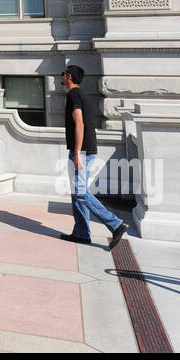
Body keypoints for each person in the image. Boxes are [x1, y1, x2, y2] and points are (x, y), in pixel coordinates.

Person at [59, 65, 128, 250]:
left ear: (70, 76)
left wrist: (78, 153)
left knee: (81, 193)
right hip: (83, 150)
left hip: (81, 151)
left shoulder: (74, 95)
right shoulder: (82, 95)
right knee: (77, 194)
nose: (62, 76)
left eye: (63, 74)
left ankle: (116, 224)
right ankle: (81, 234)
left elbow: (79, 124)